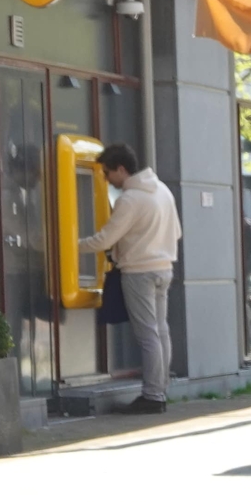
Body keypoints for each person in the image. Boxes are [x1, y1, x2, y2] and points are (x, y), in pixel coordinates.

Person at [76, 143, 181, 414]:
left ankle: (152, 396)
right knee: (160, 331)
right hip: (164, 268)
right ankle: (160, 391)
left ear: (122, 169)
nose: (106, 179)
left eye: (108, 173)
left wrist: (69, 245)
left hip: (139, 272)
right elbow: (176, 233)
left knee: (147, 334)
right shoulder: (163, 191)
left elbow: (105, 239)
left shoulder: (131, 199)